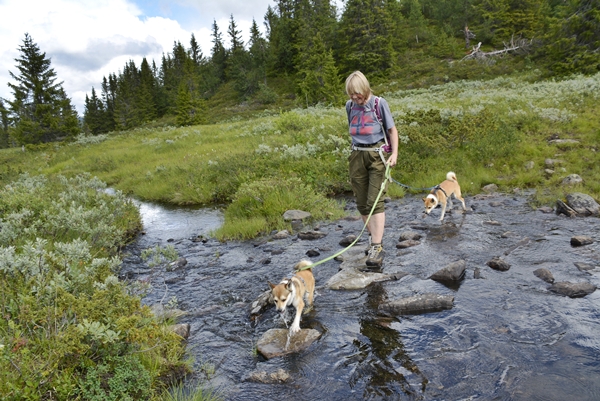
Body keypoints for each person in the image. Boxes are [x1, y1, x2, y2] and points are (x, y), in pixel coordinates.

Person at [345, 71, 399, 269]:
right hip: (356, 156)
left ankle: (377, 246)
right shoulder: (350, 106)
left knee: (374, 201)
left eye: (357, 94)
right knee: (361, 203)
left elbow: (392, 131)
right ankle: (372, 236)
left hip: (378, 156)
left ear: (365, 89)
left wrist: (394, 154)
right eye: (350, 94)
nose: (354, 98)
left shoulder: (379, 104)